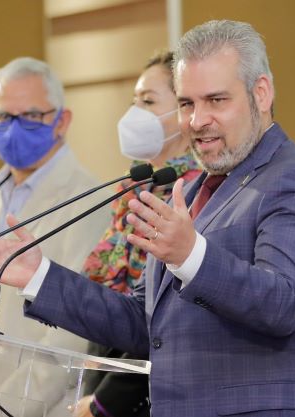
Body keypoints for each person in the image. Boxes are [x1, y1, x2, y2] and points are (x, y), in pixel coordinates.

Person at [0, 20, 295, 417]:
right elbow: (141, 324)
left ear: (260, 93)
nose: (197, 120)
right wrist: (39, 275)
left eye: (216, 100)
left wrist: (192, 255)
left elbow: (282, 304)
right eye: (187, 104)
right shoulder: (190, 193)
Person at [0, 57, 110, 417]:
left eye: (32, 115)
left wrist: (3, 408)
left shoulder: (90, 200)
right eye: (4, 117)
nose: (15, 127)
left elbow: (72, 331)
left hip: (38, 407)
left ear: (61, 121)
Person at [77, 50, 201, 417]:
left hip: (155, 390)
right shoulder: (135, 187)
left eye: (148, 101)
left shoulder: (195, 192)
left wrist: (104, 402)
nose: (134, 113)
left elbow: (166, 313)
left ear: (183, 110)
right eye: (134, 101)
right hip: (107, 370)